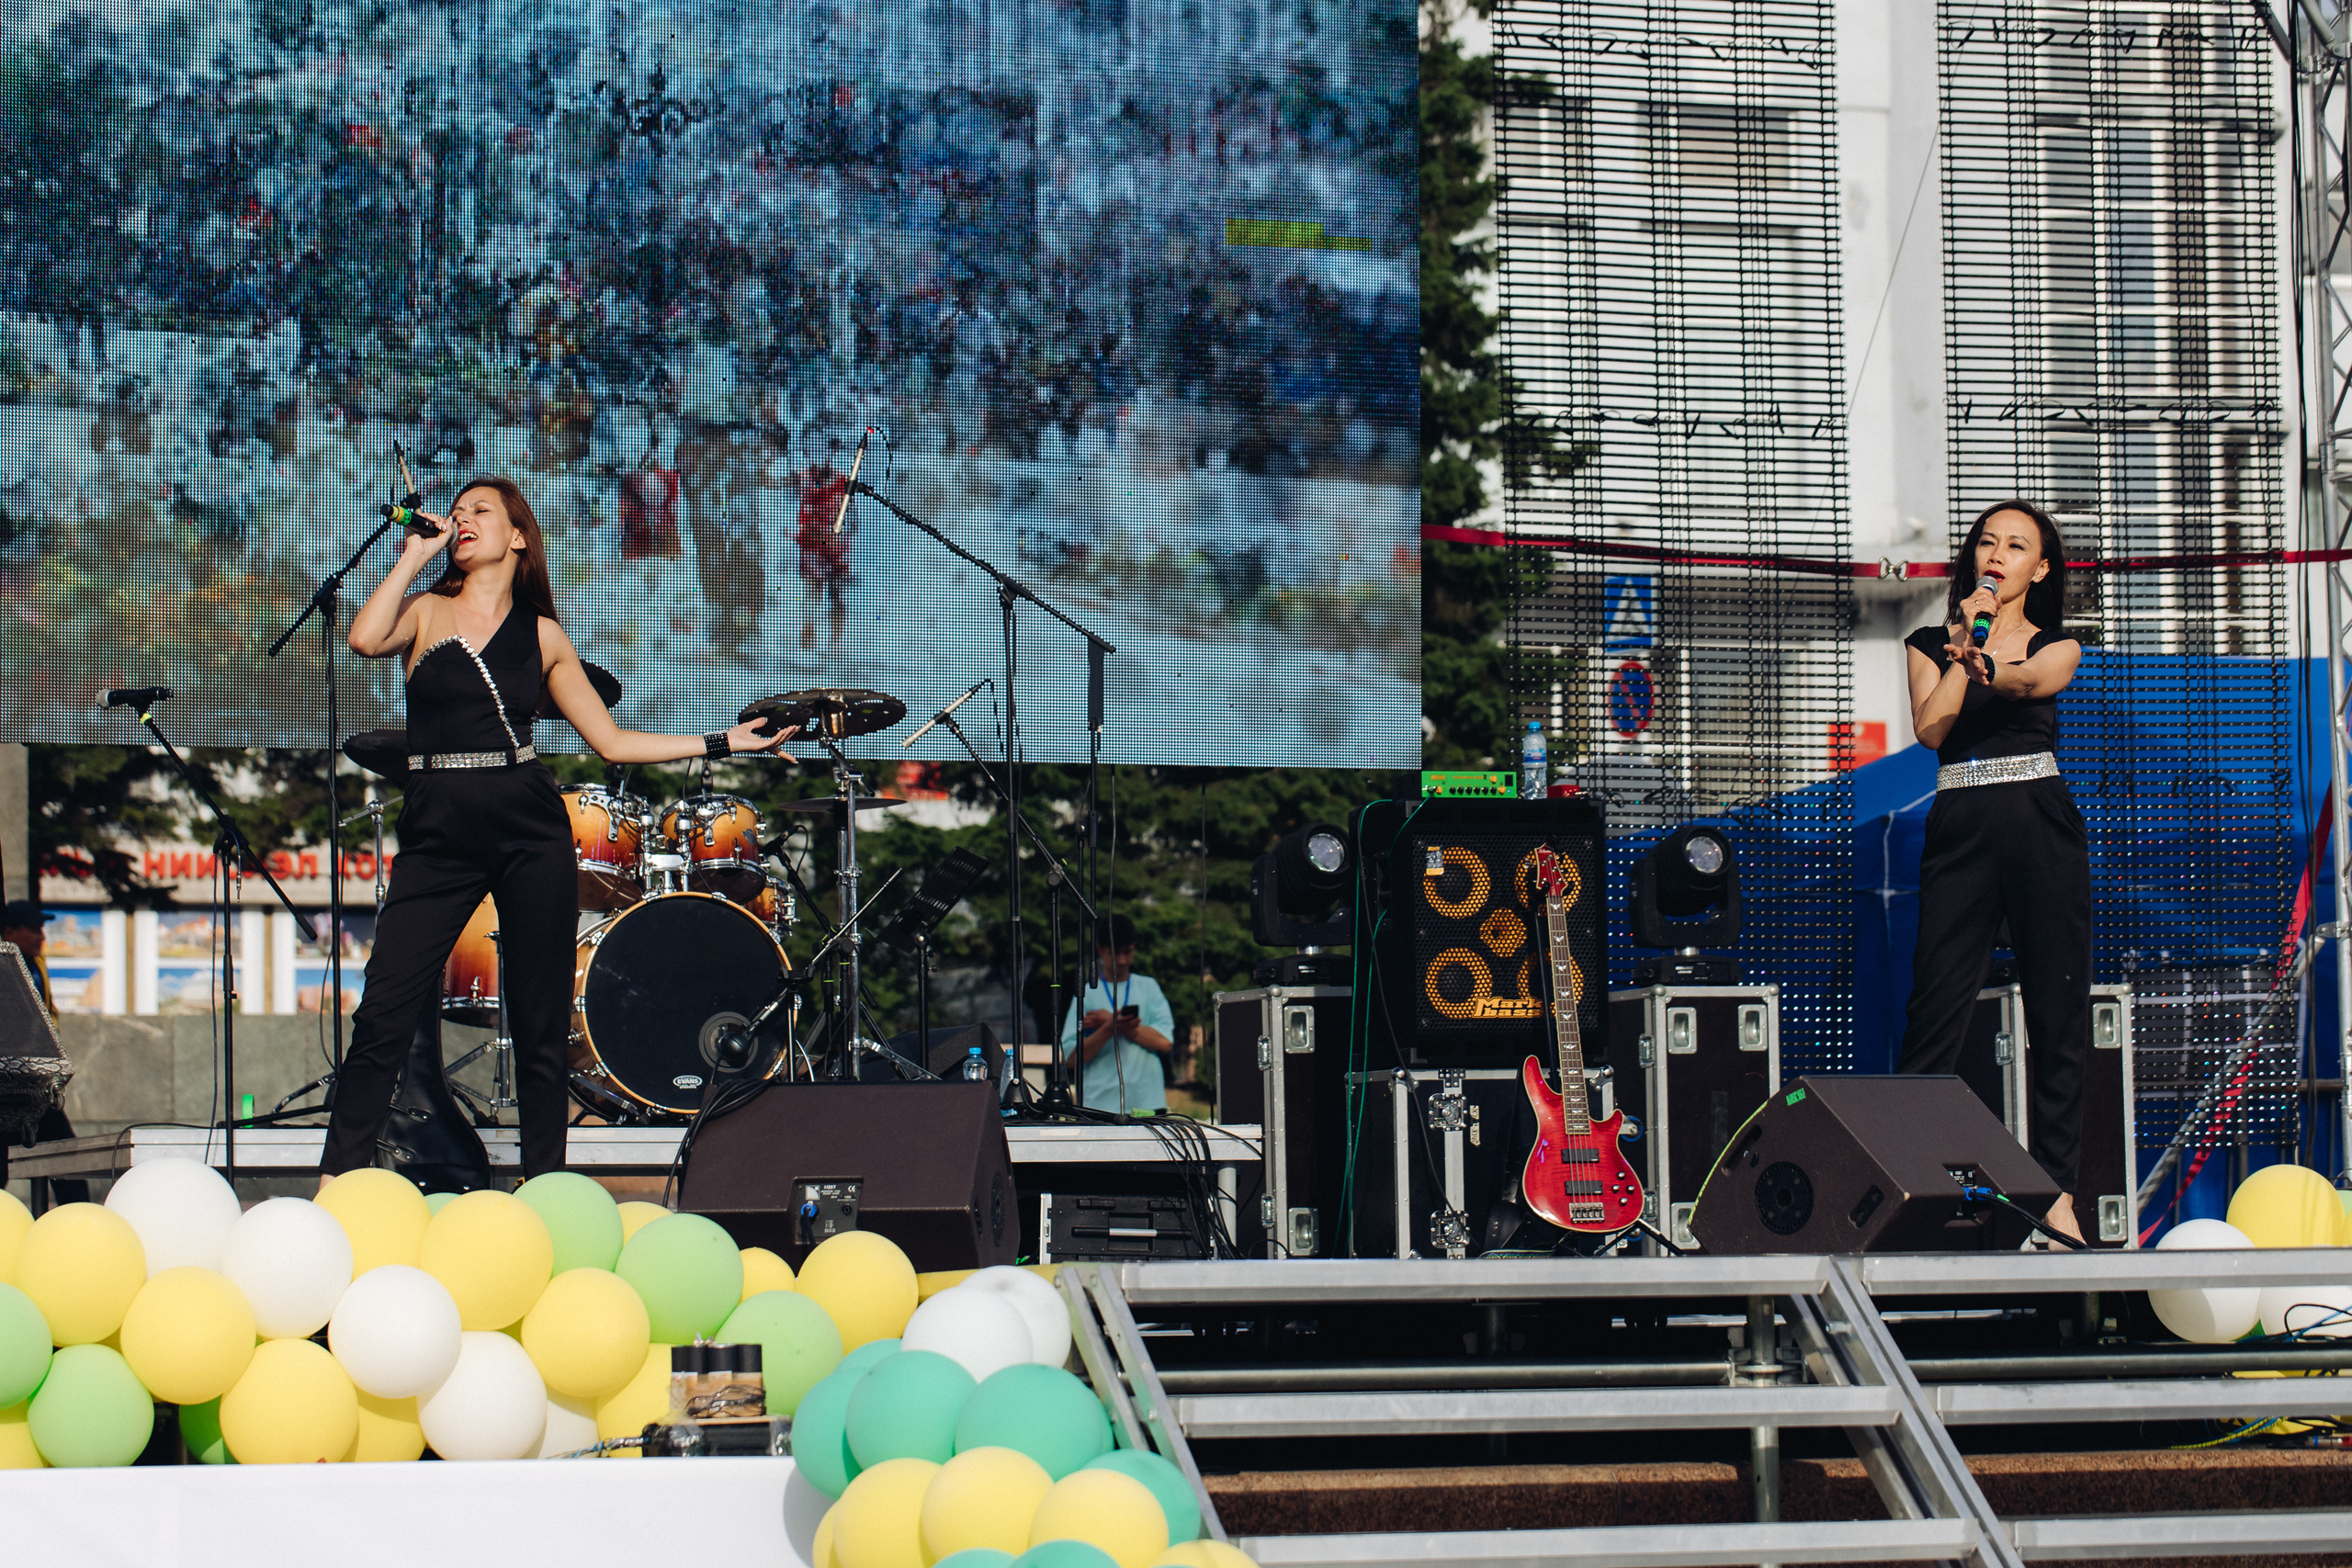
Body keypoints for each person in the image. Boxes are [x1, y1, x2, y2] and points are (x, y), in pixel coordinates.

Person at [323, 476, 796, 1189]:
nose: (462, 519)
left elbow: (610, 740)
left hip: (525, 822)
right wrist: (416, 553)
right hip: (437, 825)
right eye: (457, 513)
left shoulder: (543, 635)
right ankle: (334, 1184)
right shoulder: (424, 610)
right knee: (383, 1012)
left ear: (517, 536)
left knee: (541, 1025)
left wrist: (724, 741)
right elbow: (363, 637)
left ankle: (544, 1196)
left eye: (479, 511)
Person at [1897, 498, 2089, 1244]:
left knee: (2056, 1010)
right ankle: (1913, 1176)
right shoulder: (1924, 642)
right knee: (1935, 1007)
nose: (1997, 555)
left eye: (2015, 546)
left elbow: (2034, 682)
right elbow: (1931, 726)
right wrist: (1961, 647)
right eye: (1987, 543)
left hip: (2039, 822)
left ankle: (2057, 1193)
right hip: (1962, 827)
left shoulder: (2057, 641)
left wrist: (1990, 664)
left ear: (2039, 569)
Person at [0, 900, 88, 1203]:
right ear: (9, 932)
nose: (42, 937)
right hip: (5, 1081)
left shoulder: (35, 963)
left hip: (35, 1079)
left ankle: (78, 1218)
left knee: (65, 1153)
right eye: (34, 929)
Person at [1058, 915, 1176, 1115]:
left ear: (1134, 948)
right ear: (1100, 950)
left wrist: (1110, 1020)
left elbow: (1165, 1042)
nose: (1122, 960)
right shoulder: (1086, 993)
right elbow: (1070, 1059)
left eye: (1127, 952)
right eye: (1115, 953)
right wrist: (1109, 1027)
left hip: (1147, 1103)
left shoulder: (1148, 987)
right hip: (1099, 1105)